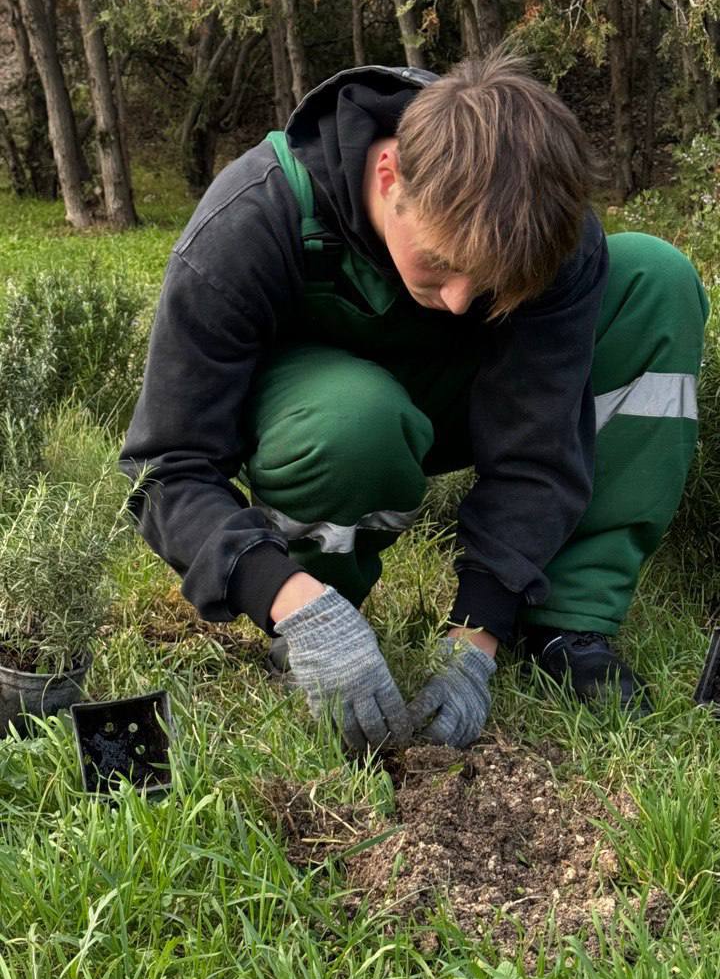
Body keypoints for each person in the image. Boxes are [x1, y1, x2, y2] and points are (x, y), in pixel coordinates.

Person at [118, 43, 709, 755]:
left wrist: (475, 641)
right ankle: (321, 603)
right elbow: (168, 465)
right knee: (354, 420)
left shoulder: (544, 224)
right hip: (330, 414)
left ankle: (566, 620)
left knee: (655, 278)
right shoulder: (250, 221)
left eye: (489, 286)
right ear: (390, 172)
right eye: (443, 263)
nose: (460, 302)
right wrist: (282, 595)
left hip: (471, 399)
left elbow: (539, 442)